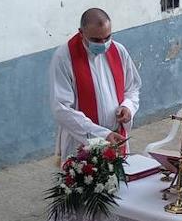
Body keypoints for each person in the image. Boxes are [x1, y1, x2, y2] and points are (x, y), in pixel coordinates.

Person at [50, 8, 142, 160]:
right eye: (96, 40)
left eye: (107, 37)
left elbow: (132, 88)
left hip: (116, 137)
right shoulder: (64, 58)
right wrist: (102, 134)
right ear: (81, 32)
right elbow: (61, 108)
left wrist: (128, 107)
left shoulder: (118, 51)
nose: (104, 44)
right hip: (81, 141)